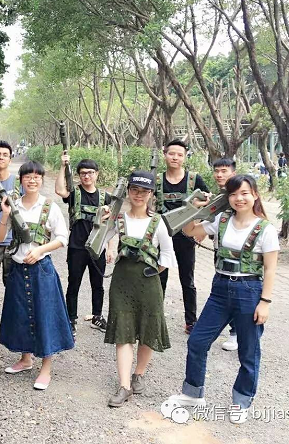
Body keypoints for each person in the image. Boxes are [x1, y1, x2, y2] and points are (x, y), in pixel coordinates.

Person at [168, 175, 279, 424]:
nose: (239, 198)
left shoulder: (266, 229)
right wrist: (195, 210)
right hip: (220, 289)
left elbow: (271, 269)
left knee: (248, 351)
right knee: (197, 341)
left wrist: (265, 302)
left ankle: (242, 401)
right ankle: (193, 393)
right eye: (233, 194)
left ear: (255, 195)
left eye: (245, 193)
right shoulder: (221, 219)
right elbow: (190, 231)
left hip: (249, 290)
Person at [0, 161, 72, 391]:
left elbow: (62, 238)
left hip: (41, 270)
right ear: (21, 180)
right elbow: (1, 237)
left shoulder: (49, 207)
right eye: (28, 176)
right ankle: (25, 359)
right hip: (18, 268)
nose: (32, 180)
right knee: (20, 314)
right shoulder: (14, 205)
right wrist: (5, 214)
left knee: (45, 316)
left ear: (41, 180)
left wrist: (40, 250)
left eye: (37, 177)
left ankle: (46, 368)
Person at [103, 171, 177, 407]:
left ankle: (139, 374)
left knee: (147, 329)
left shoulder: (158, 222)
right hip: (121, 282)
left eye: (144, 191)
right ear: (128, 191)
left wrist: (150, 272)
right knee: (123, 332)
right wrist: (103, 221)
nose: (138, 195)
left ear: (151, 194)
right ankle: (124, 385)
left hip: (149, 282)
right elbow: (102, 238)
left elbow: (167, 256)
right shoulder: (118, 219)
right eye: (134, 190)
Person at [155, 139, 209, 334]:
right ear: (165, 155)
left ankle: (191, 321)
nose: (175, 158)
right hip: (161, 236)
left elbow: (208, 203)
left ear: (185, 157)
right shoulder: (157, 180)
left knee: (187, 280)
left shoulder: (194, 180)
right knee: (159, 277)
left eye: (179, 154)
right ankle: (155, 319)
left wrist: (202, 229)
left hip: (185, 236)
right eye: (171, 154)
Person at [55, 155, 113, 335]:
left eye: (90, 172)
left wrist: (110, 248)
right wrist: (63, 166)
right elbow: (60, 190)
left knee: (98, 285)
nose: (86, 176)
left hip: (98, 248)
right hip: (77, 247)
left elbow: (110, 225)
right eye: (82, 173)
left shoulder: (105, 197)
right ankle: (71, 319)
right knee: (74, 283)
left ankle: (97, 316)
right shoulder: (74, 193)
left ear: (97, 174)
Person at [0, 140, 22, 296]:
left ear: (10, 160)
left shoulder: (18, 183)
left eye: (5, 155)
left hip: (14, 243)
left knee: (15, 288)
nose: (1, 157)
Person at [211, 158, 238, 351]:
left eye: (224, 171)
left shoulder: (236, 195)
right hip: (220, 251)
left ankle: (236, 333)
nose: (219, 175)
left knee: (236, 292)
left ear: (233, 173)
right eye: (217, 171)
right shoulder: (220, 195)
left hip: (240, 256)